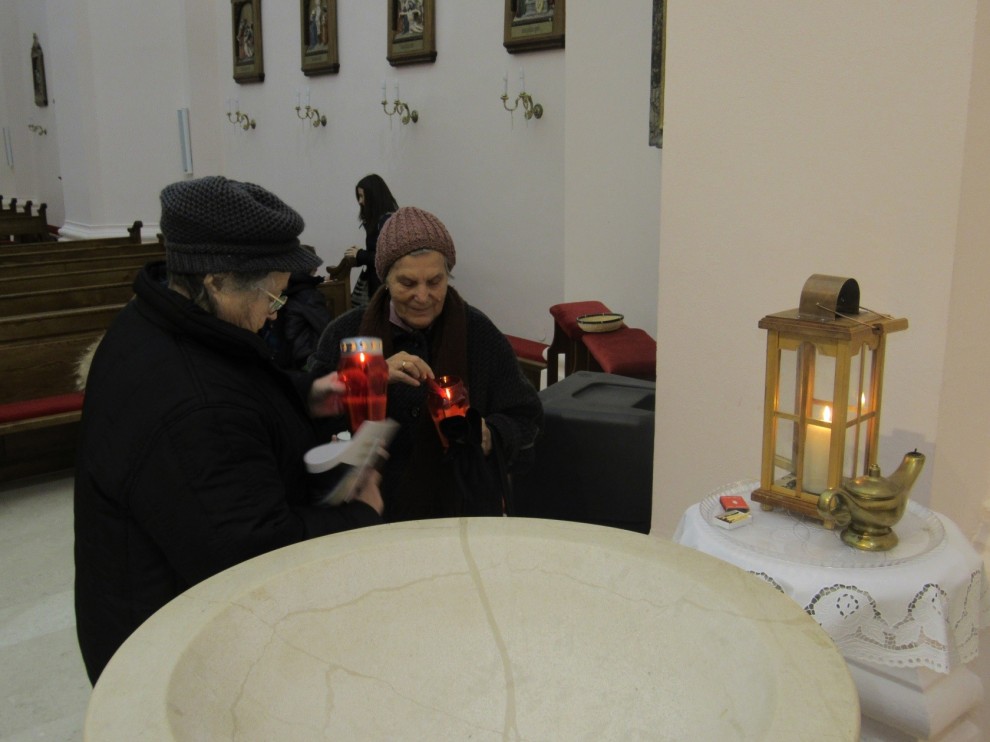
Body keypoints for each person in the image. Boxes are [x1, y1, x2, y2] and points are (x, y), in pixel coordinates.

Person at [74, 176, 384, 685]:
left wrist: (306, 395)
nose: (274, 315)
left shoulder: (157, 321)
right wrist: (360, 513)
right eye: (272, 297)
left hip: (143, 604)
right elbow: (252, 555)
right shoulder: (194, 405)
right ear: (216, 281)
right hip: (172, 649)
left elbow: (232, 377)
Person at [311, 206, 542, 522]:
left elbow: (526, 417)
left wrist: (490, 435)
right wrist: (367, 378)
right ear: (385, 279)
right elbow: (309, 419)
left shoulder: (479, 333)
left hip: (462, 518)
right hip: (368, 517)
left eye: (435, 281)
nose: (422, 296)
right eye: (407, 283)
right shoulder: (344, 334)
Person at [265, 244, 334, 371]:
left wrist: (320, 279)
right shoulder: (309, 296)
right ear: (312, 268)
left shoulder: (286, 287)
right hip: (305, 359)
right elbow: (328, 328)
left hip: (284, 356)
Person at [343, 174, 398, 306]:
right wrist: (359, 255)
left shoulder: (386, 222)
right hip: (381, 285)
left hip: (384, 288)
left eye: (362, 196)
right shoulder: (384, 220)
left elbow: (387, 258)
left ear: (373, 196)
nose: (360, 201)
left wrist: (360, 254)